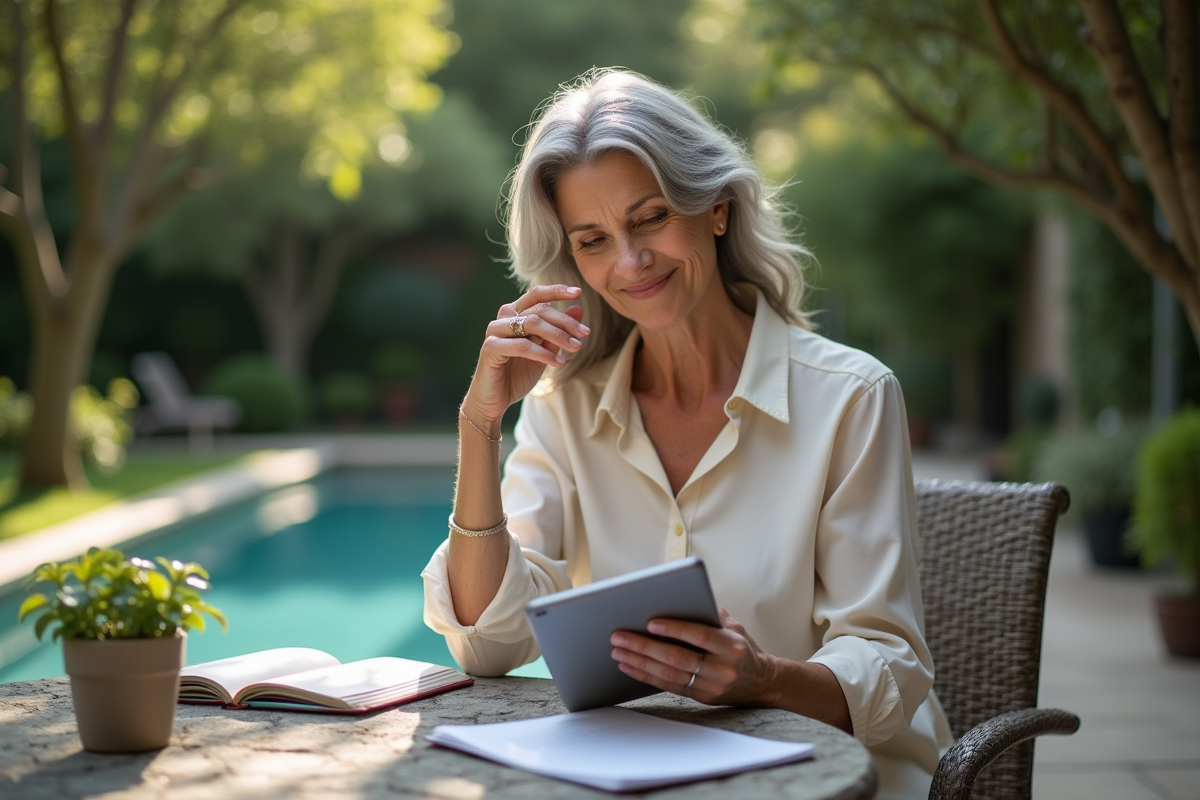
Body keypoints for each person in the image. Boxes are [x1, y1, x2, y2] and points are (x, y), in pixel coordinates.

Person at [422, 68, 952, 799]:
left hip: (838, 781)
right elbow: (489, 640)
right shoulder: (564, 405)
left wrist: (763, 677)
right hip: (642, 777)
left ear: (718, 209)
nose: (630, 263)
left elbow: (889, 662)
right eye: (593, 240)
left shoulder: (850, 396)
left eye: (650, 218)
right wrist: (479, 425)